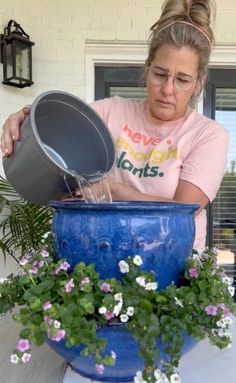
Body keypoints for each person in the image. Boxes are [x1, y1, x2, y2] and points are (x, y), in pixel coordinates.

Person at [0, 0, 228, 252]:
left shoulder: (207, 134)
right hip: (104, 261)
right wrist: (20, 118)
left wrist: (117, 191)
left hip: (173, 265)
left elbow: (186, 208)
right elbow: (52, 123)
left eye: (182, 80)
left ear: (198, 83)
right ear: (147, 69)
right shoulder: (110, 112)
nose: (167, 90)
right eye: (160, 74)